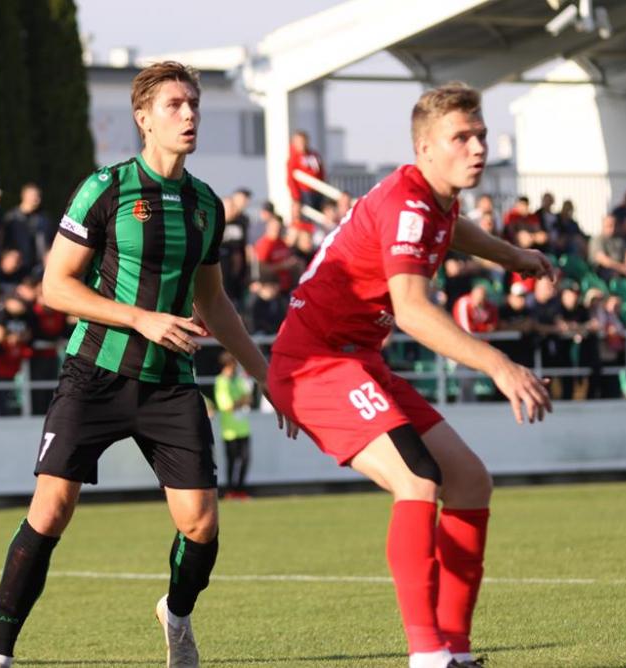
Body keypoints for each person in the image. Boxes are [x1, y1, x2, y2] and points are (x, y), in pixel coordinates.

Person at [0, 61, 294, 668]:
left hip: (170, 384)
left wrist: (266, 375)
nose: (189, 114)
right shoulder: (106, 189)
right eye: (175, 104)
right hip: (94, 373)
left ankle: (175, 614)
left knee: (200, 524)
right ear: (143, 117)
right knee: (51, 509)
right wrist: (140, 318)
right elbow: (55, 287)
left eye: (194, 103)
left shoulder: (206, 205)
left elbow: (213, 302)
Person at [266, 82, 553, 668]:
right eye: (461, 138)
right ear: (425, 148)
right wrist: (498, 363)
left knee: (468, 481)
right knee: (418, 481)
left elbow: (452, 228)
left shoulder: (431, 199)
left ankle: (455, 651)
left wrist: (511, 256)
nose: (477, 147)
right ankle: (426, 654)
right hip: (315, 361)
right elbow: (413, 311)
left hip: (356, 360)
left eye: (480, 135)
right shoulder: (409, 205)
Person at [214, 351, 253, 499]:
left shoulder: (238, 380)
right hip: (229, 431)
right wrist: (240, 401)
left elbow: (248, 399)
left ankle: (240, 489)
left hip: (243, 428)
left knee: (245, 460)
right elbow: (226, 406)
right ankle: (230, 490)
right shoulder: (221, 382)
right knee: (231, 462)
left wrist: (239, 402)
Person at [286, 130, 326, 219]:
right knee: (309, 216)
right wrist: (296, 197)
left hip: (318, 190)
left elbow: (321, 172)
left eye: (303, 141)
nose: (302, 144)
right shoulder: (293, 158)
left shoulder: (314, 155)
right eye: (299, 141)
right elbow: (290, 179)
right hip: (305, 192)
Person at [589, 214, 626, 281]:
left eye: (614, 225)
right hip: (603, 271)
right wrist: (621, 268)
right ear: (603, 226)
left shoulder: (621, 239)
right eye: (609, 225)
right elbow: (603, 260)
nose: (613, 228)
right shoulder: (597, 240)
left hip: (622, 269)